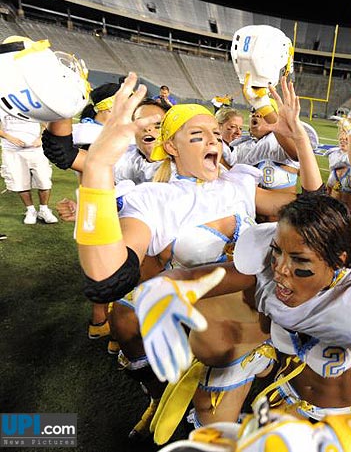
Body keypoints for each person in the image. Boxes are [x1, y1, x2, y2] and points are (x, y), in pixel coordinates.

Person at [75, 73, 321, 441]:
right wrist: (96, 170)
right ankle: (158, 395)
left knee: (213, 424)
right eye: (198, 135)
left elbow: (315, 210)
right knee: (131, 326)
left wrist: (301, 143)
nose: (214, 141)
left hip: (255, 314)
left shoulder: (239, 182)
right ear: (171, 146)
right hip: (195, 318)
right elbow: (109, 274)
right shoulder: (154, 198)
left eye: (216, 136)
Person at [131, 193, 351, 452]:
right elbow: (199, 278)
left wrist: (339, 439)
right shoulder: (270, 271)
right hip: (286, 402)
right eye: (276, 252)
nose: (281, 269)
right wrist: (164, 287)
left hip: (345, 420)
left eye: (300, 260)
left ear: (338, 260)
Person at [0, 113, 58, 225]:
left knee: (44, 181)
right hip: (12, 151)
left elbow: (48, 123)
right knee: (20, 183)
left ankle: (44, 210)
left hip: (36, 150)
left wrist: (41, 138)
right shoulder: (3, 105)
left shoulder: (32, 104)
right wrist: (10, 138)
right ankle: (30, 210)